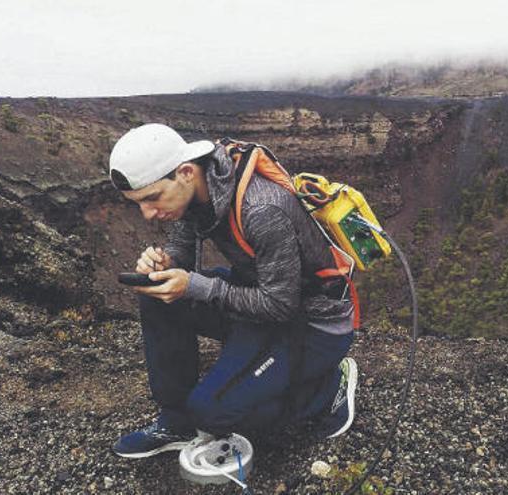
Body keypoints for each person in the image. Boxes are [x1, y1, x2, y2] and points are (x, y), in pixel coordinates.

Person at [107, 123, 358, 458]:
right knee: (157, 295)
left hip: (310, 322)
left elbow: (280, 305)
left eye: (152, 198)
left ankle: (327, 390)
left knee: (213, 414)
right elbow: (182, 250)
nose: (149, 213)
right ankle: (175, 420)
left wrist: (195, 286)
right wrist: (164, 264)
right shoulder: (195, 189)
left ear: (185, 172)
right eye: (138, 203)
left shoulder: (262, 209)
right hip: (256, 294)